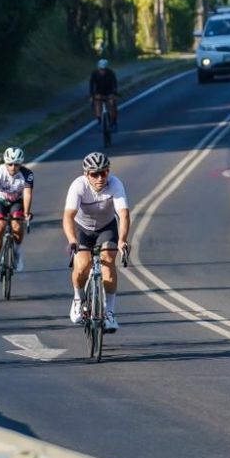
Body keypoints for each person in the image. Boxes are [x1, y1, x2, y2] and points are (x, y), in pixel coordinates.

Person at [63, 152, 130, 333]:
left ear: (108, 172)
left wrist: (122, 240)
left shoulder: (115, 184)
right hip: (82, 228)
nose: (100, 178)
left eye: (104, 172)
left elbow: (123, 214)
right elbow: (68, 216)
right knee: (83, 265)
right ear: (87, 174)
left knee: (108, 262)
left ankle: (109, 313)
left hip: (106, 227)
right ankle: (78, 299)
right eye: (95, 174)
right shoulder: (78, 186)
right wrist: (72, 241)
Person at [0, 147, 34, 280]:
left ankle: (17, 253)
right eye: (10, 164)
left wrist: (26, 212)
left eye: (16, 164)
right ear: (5, 162)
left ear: (21, 164)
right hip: (0, 201)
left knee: (17, 226)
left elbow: (27, 194)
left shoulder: (27, 174)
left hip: (17, 202)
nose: (13, 167)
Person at [89, 58, 119, 132]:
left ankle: (113, 121)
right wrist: (92, 95)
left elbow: (114, 84)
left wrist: (113, 93)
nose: (103, 71)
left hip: (109, 92)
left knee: (112, 103)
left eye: (104, 69)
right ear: (98, 68)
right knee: (97, 103)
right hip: (99, 92)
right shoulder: (94, 74)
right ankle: (99, 119)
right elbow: (91, 85)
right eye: (101, 69)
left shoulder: (111, 73)